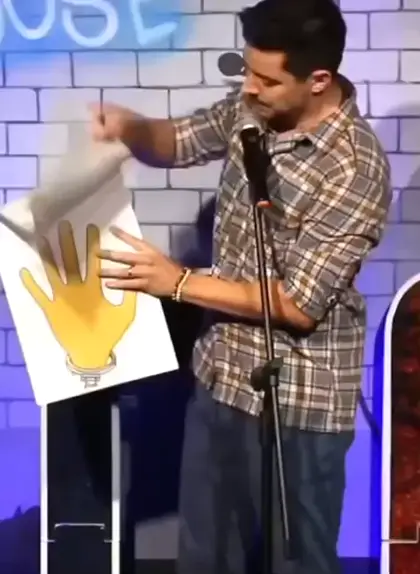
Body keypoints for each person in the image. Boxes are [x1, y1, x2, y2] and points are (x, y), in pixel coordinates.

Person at [91, 0, 392, 572]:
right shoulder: (253, 108)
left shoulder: (354, 168)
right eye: (248, 71)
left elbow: (298, 305)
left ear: (318, 79)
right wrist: (130, 129)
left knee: (297, 561)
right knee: (204, 556)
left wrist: (178, 282)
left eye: (267, 79)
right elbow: (178, 141)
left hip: (300, 402)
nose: (250, 88)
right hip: (221, 379)